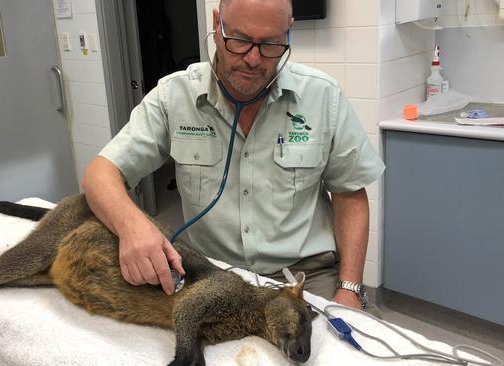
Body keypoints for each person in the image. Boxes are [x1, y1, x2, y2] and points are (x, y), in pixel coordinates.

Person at [82, 0, 385, 310]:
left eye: (270, 44)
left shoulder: (323, 96)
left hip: (306, 275)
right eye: (239, 40)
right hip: (212, 273)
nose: (253, 59)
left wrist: (349, 289)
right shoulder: (174, 96)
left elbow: (350, 193)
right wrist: (132, 225)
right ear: (217, 25)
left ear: (287, 34)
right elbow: (100, 174)